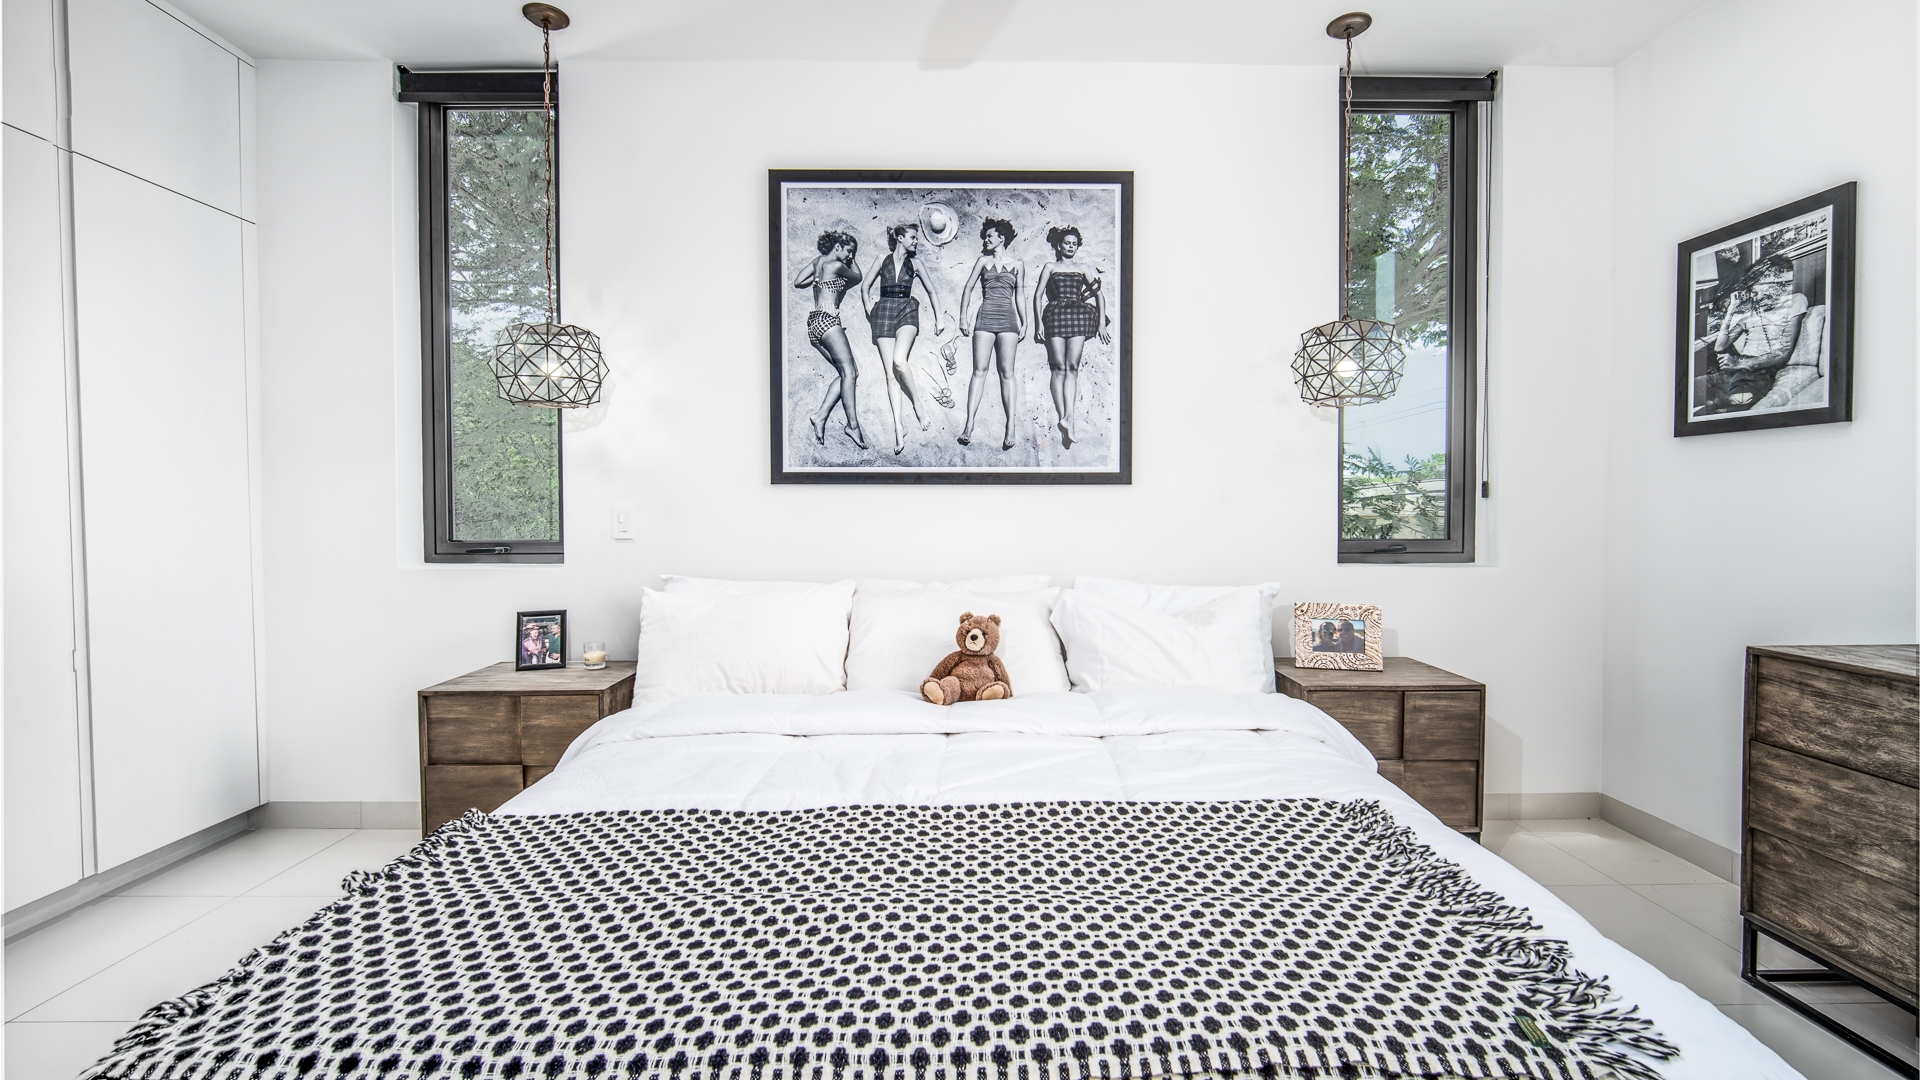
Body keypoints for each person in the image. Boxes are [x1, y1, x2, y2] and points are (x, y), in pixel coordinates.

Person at [862, 223, 945, 455]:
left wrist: (939, 318)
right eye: (912, 237)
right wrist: (869, 309)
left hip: (907, 310)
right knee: (890, 375)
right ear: (900, 238)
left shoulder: (916, 263)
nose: (916, 241)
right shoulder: (882, 259)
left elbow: (931, 290)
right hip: (883, 312)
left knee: (899, 361)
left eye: (916, 238)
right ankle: (899, 427)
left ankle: (917, 403)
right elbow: (865, 286)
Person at [1033, 226, 1109, 448]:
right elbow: (1038, 295)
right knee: (1058, 368)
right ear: (1059, 245)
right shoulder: (1050, 267)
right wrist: (1038, 323)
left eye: (1074, 244)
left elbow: (1099, 296)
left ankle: (1070, 420)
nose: (1070, 247)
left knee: (1072, 368)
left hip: (1078, 315)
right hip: (1055, 314)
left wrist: (1101, 323)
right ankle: (1063, 416)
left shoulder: (1082, 268)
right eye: (1067, 243)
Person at [955, 217, 1027, 450]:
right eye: (985, 236)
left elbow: (1020, 295)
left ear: (1002, 238)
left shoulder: (1018, 264)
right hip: (985, 317)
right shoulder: (983, 261)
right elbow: (968, 287)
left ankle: (1010, 426)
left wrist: (1025, 321)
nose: (986, 240)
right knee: (979, 371)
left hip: (1008, 319)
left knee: (1007, 373)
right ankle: (969, 424)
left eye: (989, 236)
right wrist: (963, 316)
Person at [792, 230, 867, 449]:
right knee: (850, 373)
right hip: (828, 321)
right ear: (837, 246)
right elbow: (857, 277)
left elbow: (798, 281)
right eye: (849, 251)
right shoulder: (836, 266)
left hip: (814, 325)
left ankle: (820, 416)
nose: (850, 256)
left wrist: (816, 280)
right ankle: (852, 426)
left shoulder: (818, 262)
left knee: (846, 373)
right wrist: (852, 260)